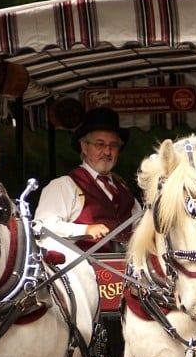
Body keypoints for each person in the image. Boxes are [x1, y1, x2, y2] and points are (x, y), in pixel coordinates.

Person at [34, 107, 140, 252]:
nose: (107, 152)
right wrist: (85, 229)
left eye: (113, 145)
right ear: (84, 147)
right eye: (100, 144)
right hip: (81, 272)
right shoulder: (64, 186)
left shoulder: (123, 190)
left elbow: (141, 226)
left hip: (127, 271)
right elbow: (42, 226)